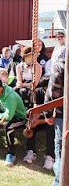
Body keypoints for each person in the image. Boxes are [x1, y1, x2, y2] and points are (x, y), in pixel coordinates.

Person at [22, 77, 55, 170]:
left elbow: (55, 115)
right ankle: (30, 151)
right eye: (43, 87)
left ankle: (50, 156)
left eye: (47, 87)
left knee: (50, 128)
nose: (45, 89)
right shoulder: (38, 91)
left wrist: (44, 120)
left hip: (53, 118)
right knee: (31, 126)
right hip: (42, 116)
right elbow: (36, 110)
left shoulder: (56, 93)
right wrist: (34, 121)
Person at [44, 54, 65, 185]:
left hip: (63, 116)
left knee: (62, 153)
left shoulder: (61, 65)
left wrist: (47, 113)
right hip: (62, 114)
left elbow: (52, 92)